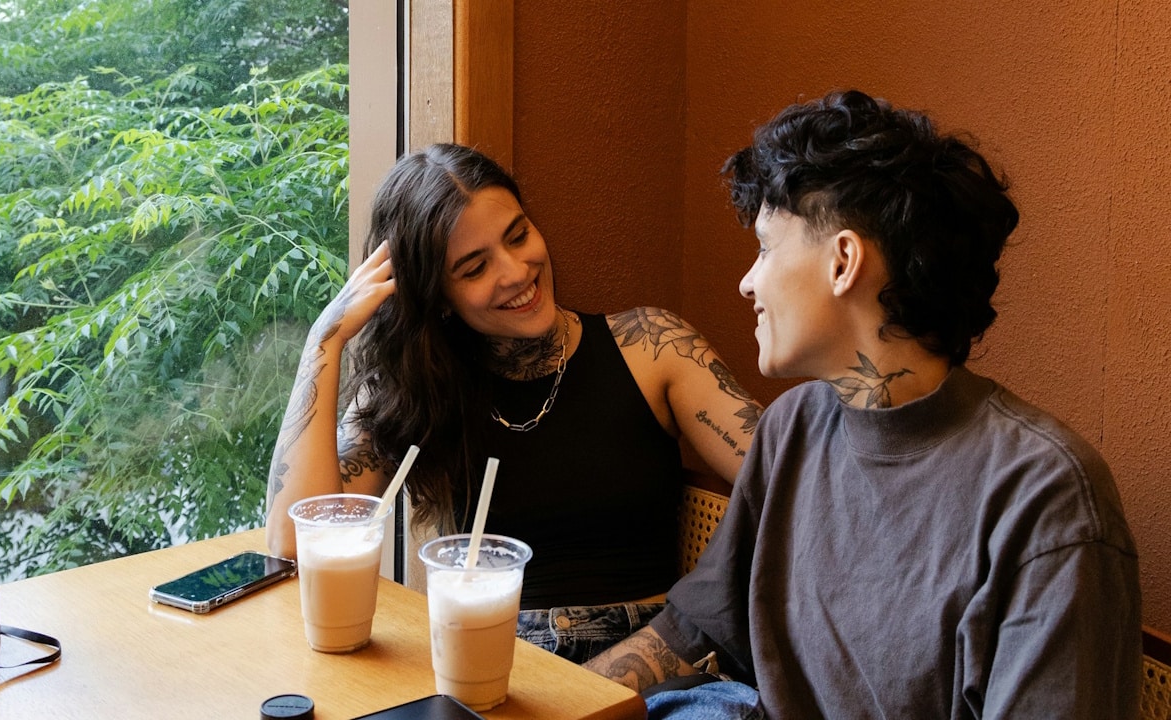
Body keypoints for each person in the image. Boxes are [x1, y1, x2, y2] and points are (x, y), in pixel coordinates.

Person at [584, 89, 1142, 719]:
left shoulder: (1047, 497)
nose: (748, 281)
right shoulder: (791, 427)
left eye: (766, 247)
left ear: (844, 261)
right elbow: (695, 630)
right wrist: (559, 706)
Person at [264, 142, 765, 663]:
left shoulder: (654, 347)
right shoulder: (412, 392)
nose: (516, 272)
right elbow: (294, 545)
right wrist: (323, 342)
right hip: (492, 662)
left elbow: (798, 482)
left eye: (518, 235)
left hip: (658, 666)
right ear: (436, 298)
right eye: (475, 268)